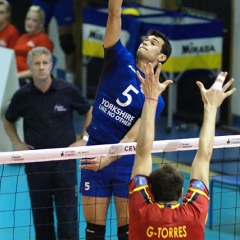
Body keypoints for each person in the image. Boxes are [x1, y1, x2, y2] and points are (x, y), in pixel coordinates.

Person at [77, 0, 172, 239]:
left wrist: (108, 158)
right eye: (146, 39)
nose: (146, 42)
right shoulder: (119, 58)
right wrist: (115, 5)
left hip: (125, 160)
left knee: (127, 231)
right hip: (95, 149)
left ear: (161, 57)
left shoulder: (155, 99)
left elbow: (133, 136)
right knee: (94, 231)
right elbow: (114, 15)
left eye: (153, 43)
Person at [128, 62, 236, 239]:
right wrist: (210, 107)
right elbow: (204, 155)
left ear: (150, 192)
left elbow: (142, 151)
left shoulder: (141, 210)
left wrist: (150, 98)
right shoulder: (194, 212)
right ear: (180, 193)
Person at [4, 46, 92, 240]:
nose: (41, 67)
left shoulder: (67, 90)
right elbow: (8, 119)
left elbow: (89, 111)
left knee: (68, 220)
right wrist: (17, 143)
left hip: (64, 165)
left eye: (45, 63)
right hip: (36, 166)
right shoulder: (22, 96)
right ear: (30, 66)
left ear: (51, 65)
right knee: (41, 219)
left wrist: (84, 139)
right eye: (37, 64)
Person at [31, 0, 76, 83]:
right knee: (39, 41)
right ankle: (42, 76)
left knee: (67, 42)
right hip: (42, 2)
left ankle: (70, 81)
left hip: (62, 2)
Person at [14, 5, 53, 85]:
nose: (29, 22)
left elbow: (40, 69)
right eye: (28, 19)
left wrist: (16, 76)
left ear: (41, 23)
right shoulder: (22, 37)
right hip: (13, 74)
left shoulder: (43, 40)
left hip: (27, 79)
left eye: (34, 20)